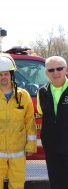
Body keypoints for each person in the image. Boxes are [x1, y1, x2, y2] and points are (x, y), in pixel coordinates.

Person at [0, 53, 37, 189]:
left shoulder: (23, 95)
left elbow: (29, 122)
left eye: (6, 74)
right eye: (0, 74)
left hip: (18, 150)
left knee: (17, 184)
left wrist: (31, 146)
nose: (3, 77)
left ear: (11, 75)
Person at [37, 56, 68, 189]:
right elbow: (41, 111)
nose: (55, 72)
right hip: (51, 146)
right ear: (46, 73)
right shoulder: (42, 92)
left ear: (66, 70)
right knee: (55, 180)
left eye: (59, 68)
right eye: (51, 70)